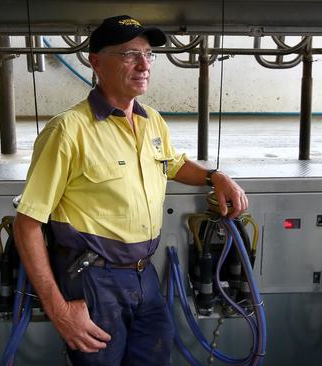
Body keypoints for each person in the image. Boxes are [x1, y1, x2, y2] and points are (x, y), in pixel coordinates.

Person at [13, 15, 248, 366]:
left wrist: (215, 176)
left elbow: (171, 163)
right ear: (96, 62)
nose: (143, 65)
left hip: (144, 273)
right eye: (128, 54)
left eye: (148, 55)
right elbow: (27, 223)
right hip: (94, 279)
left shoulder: (151, 120)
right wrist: (58, 309)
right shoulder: (68, 131)